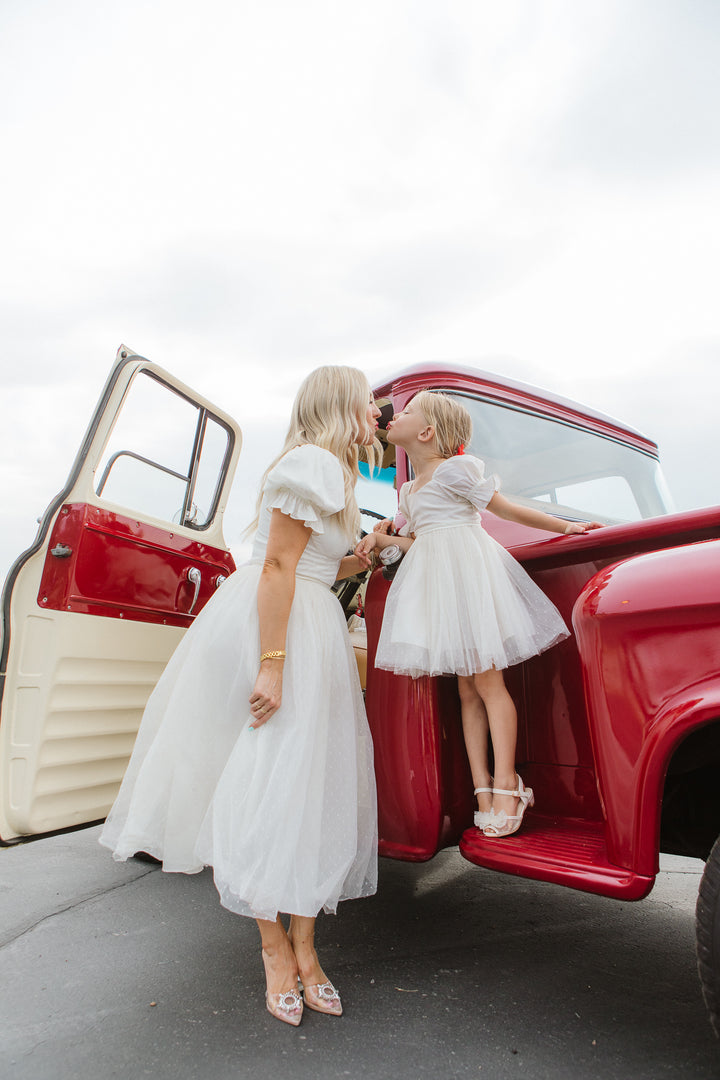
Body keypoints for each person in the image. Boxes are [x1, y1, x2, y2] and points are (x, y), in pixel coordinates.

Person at [100, 366, 381, 1027]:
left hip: (313, 630)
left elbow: (316, 564)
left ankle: (309, 946)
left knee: (313, 788)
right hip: (279, 632)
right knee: (267, 784)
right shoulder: (310, 462)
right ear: (339, 404)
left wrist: (365, 554)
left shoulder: (339, 476)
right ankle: (275, 949)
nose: (376, 410)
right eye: (367, 399)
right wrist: (272, 665)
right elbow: (279, 566)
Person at [356, 391, 601, 839]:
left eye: (406, 412)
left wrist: (565, 525)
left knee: (488, 682)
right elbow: (419, 544)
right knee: (466, 691)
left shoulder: (456, 470)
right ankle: (481, 789)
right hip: (440, 592)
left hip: (470, 582)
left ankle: (508, 781)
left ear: (427, 433)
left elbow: (503, 508)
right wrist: (379, 541)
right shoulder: (410, 492)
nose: (396, 415)